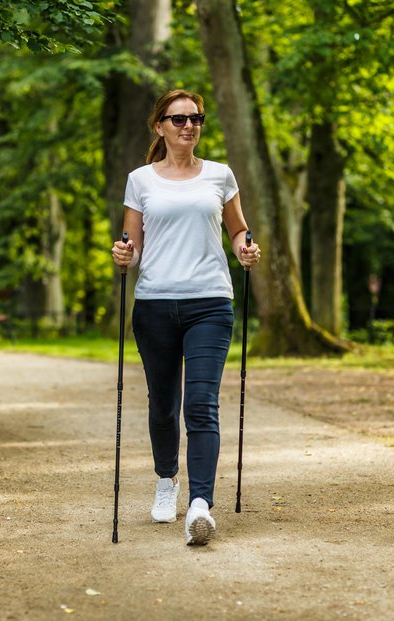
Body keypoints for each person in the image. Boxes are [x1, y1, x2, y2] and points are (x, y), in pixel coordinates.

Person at [111, 88, 261, 545]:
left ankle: (200, 504)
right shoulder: (140, 180)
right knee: (162, 405)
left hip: (210, 303)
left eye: (195, 118)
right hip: (155, 304)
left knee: (200, 404)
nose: (188, 126)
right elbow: (132, 247)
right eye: (178, 120)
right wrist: (123, 254)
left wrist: (245, 251)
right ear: (160, 127)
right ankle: (165, 481)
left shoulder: (219, 176)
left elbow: (237, 230)